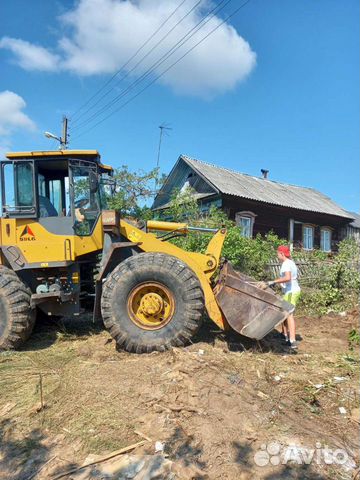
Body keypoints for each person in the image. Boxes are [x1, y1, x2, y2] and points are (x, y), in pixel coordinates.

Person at [267, 245, 301, 350]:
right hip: (289, 291)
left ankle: (292, 341)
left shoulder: (286, 264)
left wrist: (273, 281)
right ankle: (284, 335)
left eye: (278, 253)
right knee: (284, 312)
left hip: (291, 292)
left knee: (288, 314)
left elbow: (287, 278)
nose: (277, 256)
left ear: (282, 254)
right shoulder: (291, 262)